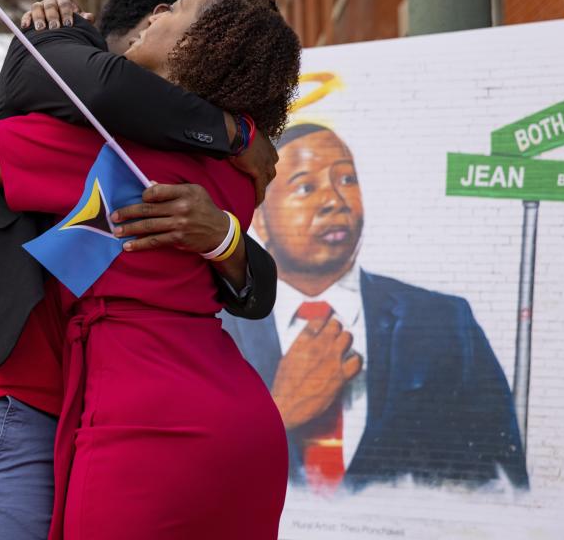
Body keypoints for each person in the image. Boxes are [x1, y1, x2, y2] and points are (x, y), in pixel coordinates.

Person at [0, 0, 281, 539]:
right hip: (236, 410)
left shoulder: (95, 144)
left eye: (175, 10)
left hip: (135, 415)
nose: (160, 15)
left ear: (195, 48)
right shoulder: (240, 167)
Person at [222, 123, 529, 491]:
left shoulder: (445, 321)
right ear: (260, 220)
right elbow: (180, 469)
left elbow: (505, 478)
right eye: (306, 186)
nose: (335, 199)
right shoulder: (216, 324)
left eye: (347, 180)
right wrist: (279, 411)